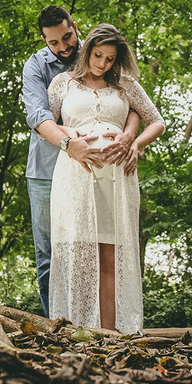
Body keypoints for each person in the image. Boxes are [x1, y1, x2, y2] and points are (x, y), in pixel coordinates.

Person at [44, 24, 165, 333]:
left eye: (110, 59)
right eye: (98, 55)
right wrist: (72, 134)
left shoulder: (126, 84)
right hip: (76, 176)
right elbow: (48, 124)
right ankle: (78, 333)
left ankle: (110, 333)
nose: (102, 64)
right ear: (88, 51)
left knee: (109, 256)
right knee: (80, 256)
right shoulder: (62, 84)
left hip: (116, 176)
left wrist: (134, 144)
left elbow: (157, 122)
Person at [22, 6, 138, 316]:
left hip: (100, 175)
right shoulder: (35, 67)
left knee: (100, 254)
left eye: (67, 37)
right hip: (48, 171)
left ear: (76, 27)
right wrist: (66, 143)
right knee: (53, 256)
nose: (63, 47)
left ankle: (102, 328)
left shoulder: (98, 55)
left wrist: (130, 136)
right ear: (45, 40)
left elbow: (131, 101)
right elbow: (38, 114)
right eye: (53, 43)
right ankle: (58, 327)